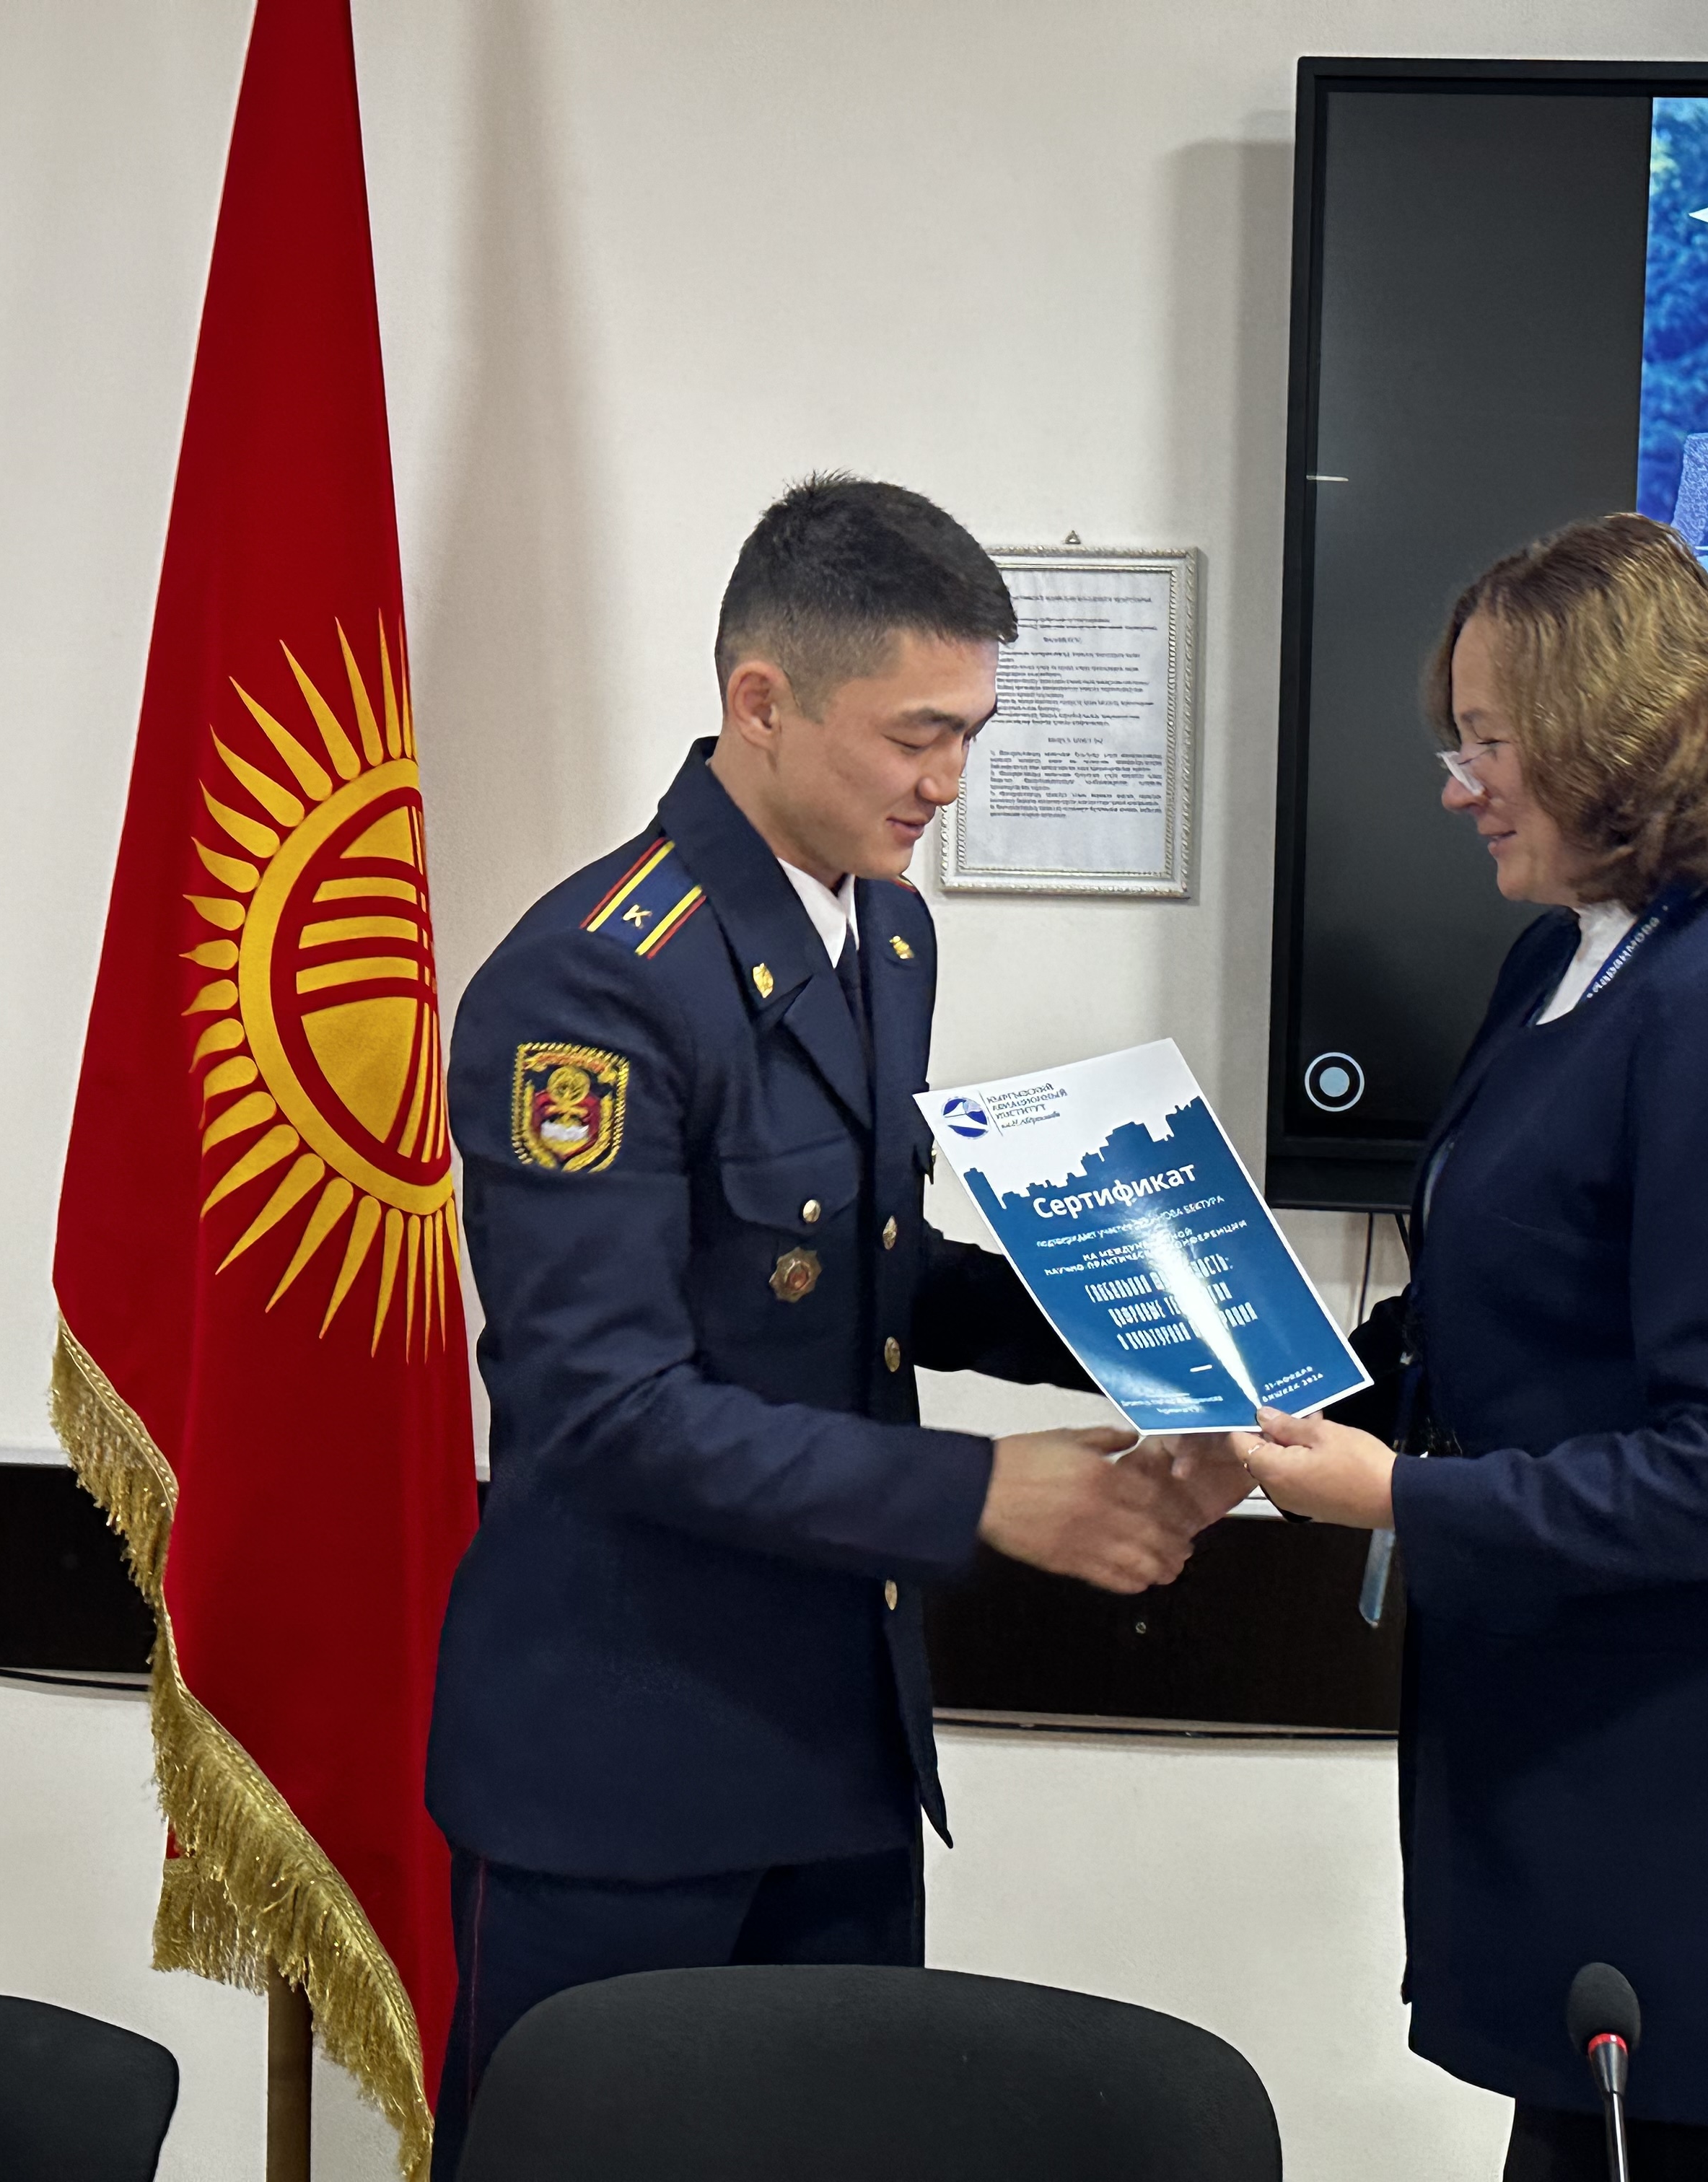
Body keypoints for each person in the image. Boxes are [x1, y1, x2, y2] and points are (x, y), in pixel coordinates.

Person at [424, 476, 1248, 2173]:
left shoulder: (887, 932)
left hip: (836, 1748)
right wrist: (983, 1493)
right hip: (623, 1771)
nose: (949, 783)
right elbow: (605, 1407)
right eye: (915, 736)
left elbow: (869, 1271)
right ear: (762, 701)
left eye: (973, 736)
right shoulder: (593, 981)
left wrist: (1145, 1323)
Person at [1240, 514, 1708, 2180]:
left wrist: (1394, 1499)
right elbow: (1500, 1300)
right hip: (1575, 1706)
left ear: (1609, 740)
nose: (1458, 787)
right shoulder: (1569, 958)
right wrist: (1272, 1385)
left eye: (1488, 743)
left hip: (1691, 1739)